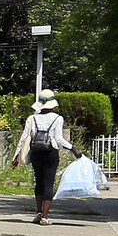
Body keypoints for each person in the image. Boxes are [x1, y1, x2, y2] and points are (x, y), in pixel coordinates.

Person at [13, 90, 74, 225]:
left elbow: (24, 138)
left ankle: (38, 213)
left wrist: (16, 157)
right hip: (50, 153)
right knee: (48, 183)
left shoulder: (32, 118)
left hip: (36, 153)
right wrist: (73, 149)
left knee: (39, 181)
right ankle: (45, 217)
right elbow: (58, 139)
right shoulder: (57, 118)